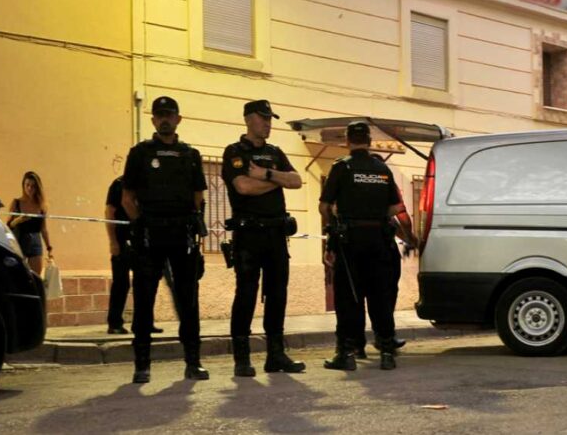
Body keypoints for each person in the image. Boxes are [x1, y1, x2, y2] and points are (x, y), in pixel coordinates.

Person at [121, 95, 209, 384]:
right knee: (144, 302)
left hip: (181, 235)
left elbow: (198, 196)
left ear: (178, 119)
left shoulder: (190, 155)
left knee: (188, 302)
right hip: (150, 236)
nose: (165, 119)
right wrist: (141, 225)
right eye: (160, 115)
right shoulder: (140, 153)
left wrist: (189, 222)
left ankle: (193, 362)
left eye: (169, 114)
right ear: (153, 120)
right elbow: (127, 198)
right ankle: (142, 365)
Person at [222, 99, 306, 377]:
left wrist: (267, 174)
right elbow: (243, 186)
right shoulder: (235, 152)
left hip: (276, 233)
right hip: (249, 234)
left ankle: (276, 355)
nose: (268, 123)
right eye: (263, 118)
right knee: (245, 295)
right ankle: (242, 359)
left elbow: (296, 181)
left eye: (270, 118)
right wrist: (276, 182)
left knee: (277, 294)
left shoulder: (275, 153)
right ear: (248, 119)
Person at [320, 121, 407, 371]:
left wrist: (333, 228)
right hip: (379, 240)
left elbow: (324, 206)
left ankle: (346, 353)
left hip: (350, 242)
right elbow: (395, 207)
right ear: (369, 141)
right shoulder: (382, 169)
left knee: (349, 298)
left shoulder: (342, 167)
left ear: (348, 140)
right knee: (380, 296)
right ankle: (387, 351)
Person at [352, 154, 417, 359]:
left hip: (353, 246)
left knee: (355, 295)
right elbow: (402, 218)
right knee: (385, 293)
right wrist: (411, 239)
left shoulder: (350, 183)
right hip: (382, 246)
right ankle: (385, 338)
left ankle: (356, 344)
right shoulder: (385, 182)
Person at [105, 177, 170, 335]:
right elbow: (109, 213)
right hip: (122, 239)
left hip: (143, 241)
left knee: (146, 283)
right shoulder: (119, 184)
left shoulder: (148, 184)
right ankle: (114, 323)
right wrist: (113, 242)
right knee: (121, 283)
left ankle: (145, 322)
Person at [7, 171, 53, 276]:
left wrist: (49, 248)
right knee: (19, 275)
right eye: (27, 185)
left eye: (33, 186)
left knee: (35, 276)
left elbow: (44, 229)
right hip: (20, 240)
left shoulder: (41, 206)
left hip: (35, 242)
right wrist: (19, 220)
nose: (30, 188)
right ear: (23, 186)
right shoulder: (16, 203)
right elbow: (8, 225)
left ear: (37, 188)